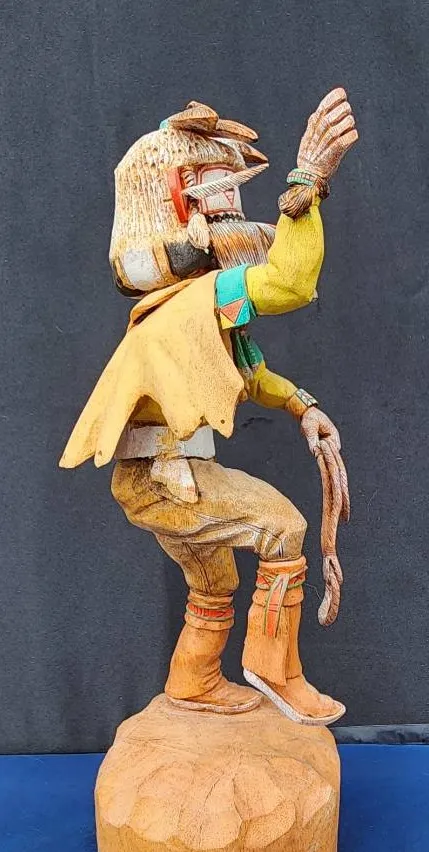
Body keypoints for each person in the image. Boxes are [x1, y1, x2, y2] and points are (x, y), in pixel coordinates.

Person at [60, 89, 358, 724]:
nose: (232, 204)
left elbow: (248, 373)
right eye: (218, 189)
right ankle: (276, 671)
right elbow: (289, 282)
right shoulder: (204, 294)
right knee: (283, 528)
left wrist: (302, 405)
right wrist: (306, 184)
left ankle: (192, 681)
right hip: (166, 475)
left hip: (161, 476)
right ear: (181, 200)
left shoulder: (195, 303)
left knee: (214, 580)